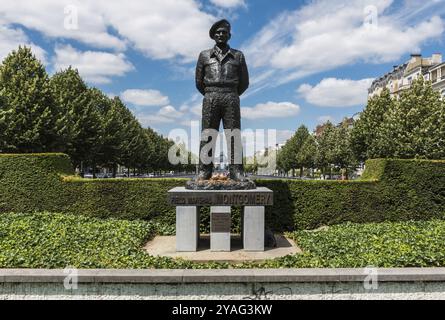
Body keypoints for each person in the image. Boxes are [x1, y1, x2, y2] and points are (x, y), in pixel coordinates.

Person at [195, 19, 249, 181]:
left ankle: (236, 171)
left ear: (229, 35)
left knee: (233, 135)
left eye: (224, 32)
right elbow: (199, 82)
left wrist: (232, 93)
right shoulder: (204, 55)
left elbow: (245, 82)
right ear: (213, 35)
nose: (221, 34)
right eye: (218, 32)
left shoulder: (238, 55)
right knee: (208, 135)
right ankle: (205, 171)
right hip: (210, 95)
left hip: (231, 96)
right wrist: (210, 92)